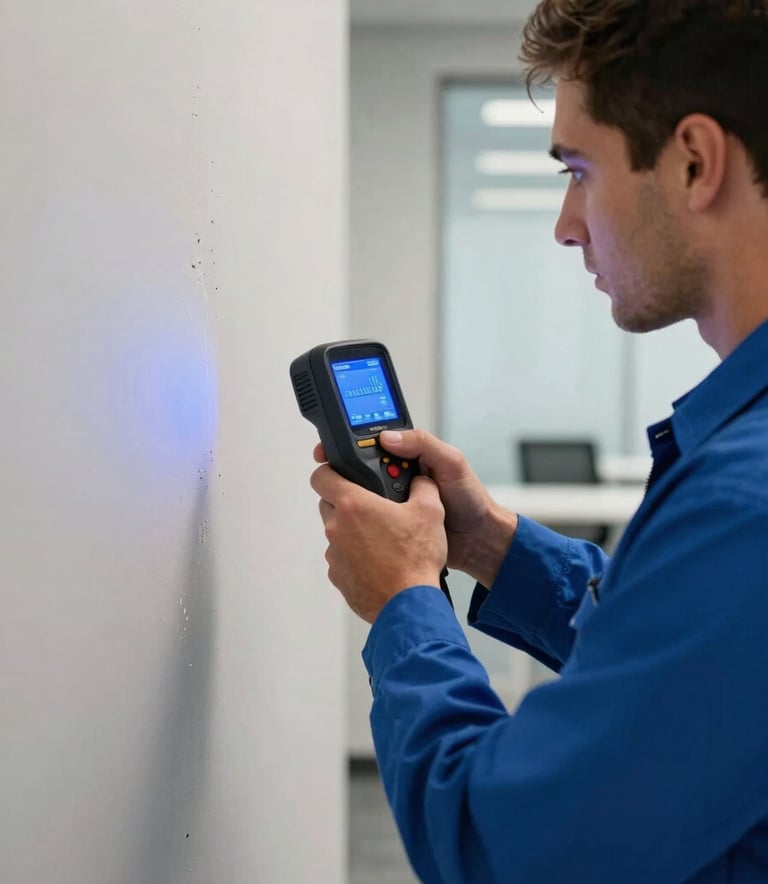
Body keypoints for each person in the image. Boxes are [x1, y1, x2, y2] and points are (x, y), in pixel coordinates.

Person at [310, 2, 768, 881]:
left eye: (581, 170)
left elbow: (502, 847)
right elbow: (683, 665)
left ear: (695, 162)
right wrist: (488, 542)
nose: (567, 223)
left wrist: (405, 600)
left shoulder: (743, 506)